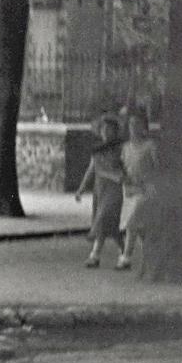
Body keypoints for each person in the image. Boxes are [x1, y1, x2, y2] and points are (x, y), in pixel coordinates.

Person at [75, 113, 125, 268]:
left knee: (104, 217)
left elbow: (125, 167)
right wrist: (81, 189)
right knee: (110, 223)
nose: (107, 132)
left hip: (115, 188)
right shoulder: (97, 150)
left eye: (110, 129)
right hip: (100, 188)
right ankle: (124, 251)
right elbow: (91, 170)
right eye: (104, 129)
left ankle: (95, 253)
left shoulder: (120, 148)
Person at [118, 107, 159, 272]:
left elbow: (157, 168)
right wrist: (124, 178)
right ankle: (148, 255)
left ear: (144, 126)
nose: (133, 127)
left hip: (146, 189)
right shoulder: (126, 147)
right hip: (130, 189)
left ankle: (126, 257)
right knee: (136, 225)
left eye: (137, 124)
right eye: (131, 124)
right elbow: (123, 166)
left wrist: (151, 182)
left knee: (133, 221)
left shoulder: (150, 146)